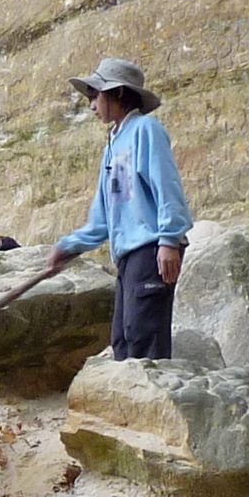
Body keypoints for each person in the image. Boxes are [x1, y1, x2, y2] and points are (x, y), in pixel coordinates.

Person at [43, 58, 192, 360]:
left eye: (95, 96)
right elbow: (103, 218)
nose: (91, 105)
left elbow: (167, 187)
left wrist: (169, 240)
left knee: (143, 335)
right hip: (127, 254)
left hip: (151, 248)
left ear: (118, 94)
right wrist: (68, 247)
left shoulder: (145, 130)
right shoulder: (112, 145)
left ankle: (151, 404)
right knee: (122, 340)